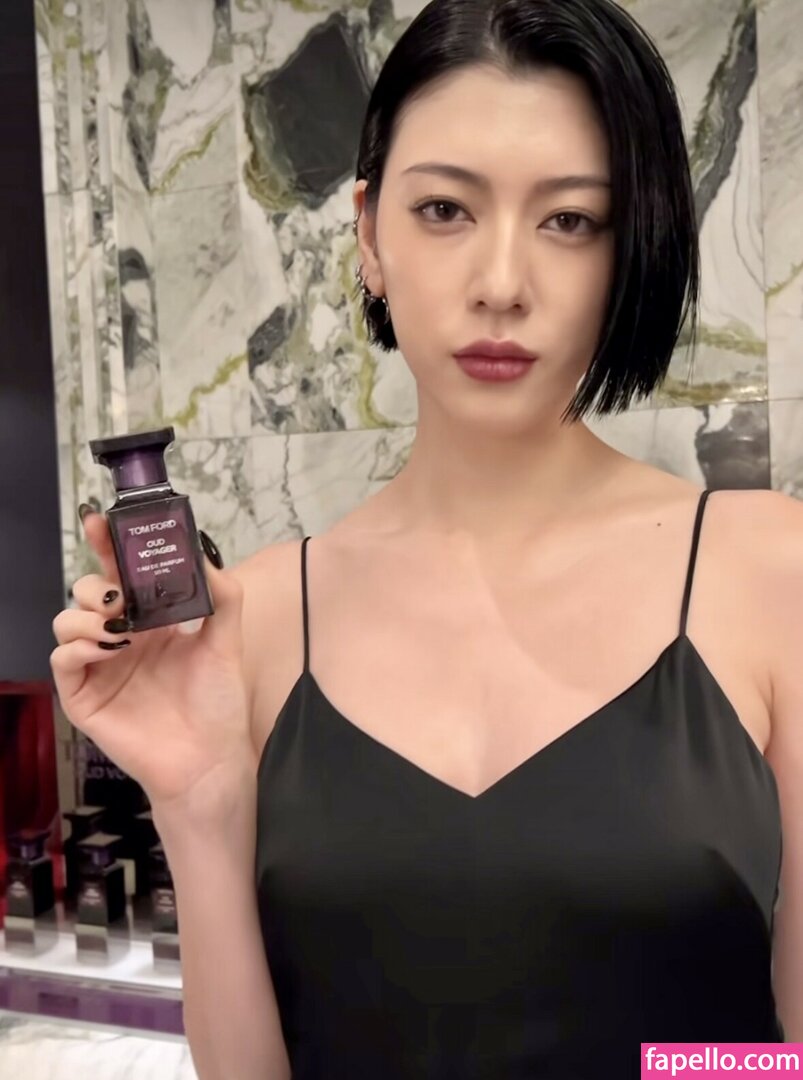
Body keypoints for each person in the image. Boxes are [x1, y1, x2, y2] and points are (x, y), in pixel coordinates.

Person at [51, 0, 803, 1076]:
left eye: (569, 220)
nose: (500, 284)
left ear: (627, 246)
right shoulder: (251, 620)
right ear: (369, 234)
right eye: (444, 209)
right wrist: (194, 802)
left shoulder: (768, 575)